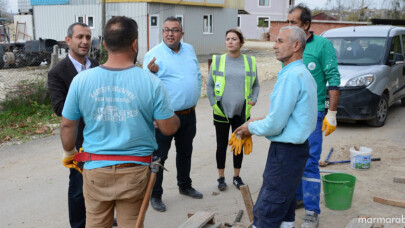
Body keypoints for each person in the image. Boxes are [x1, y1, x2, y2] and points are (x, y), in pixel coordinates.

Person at [59, 16, 180, 227]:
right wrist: (175, 118)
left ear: (104, 44)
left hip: (96, 169)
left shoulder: (81, 81)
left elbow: (68, 124)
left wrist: (69, 152)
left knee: (95, 222)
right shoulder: (151, 82)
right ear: (135, 43)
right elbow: (168, 128)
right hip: (135, 171)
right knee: (132, 223)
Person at [235, 26, 317, 228]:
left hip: (286, 153)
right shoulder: (302, 73)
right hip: (296, 151)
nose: (274, 45)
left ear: (296, 45)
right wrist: (253, 122)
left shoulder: (291, 76)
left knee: (268, 209)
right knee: (286, 205)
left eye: (280, 41)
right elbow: (286, 116)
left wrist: (249, 128)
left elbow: (275, 124)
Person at [287, 4, 341, 228]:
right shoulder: (290, 45)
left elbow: (333, 79)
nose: (288, 27)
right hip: (291, 113)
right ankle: (298, 198)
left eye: (293, 23)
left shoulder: (322, 46)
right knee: (292, 159)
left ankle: (311, 211)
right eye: (287, 22)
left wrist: (332, 113)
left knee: (310, 162)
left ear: (307, 25)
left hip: (314, 113)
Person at [143, 16, 203, 212]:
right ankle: (155, 194)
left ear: (182, 33)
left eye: (175, 30)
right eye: (166, 29)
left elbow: (197, 75)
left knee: (185, 153)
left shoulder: (190, 49)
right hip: (165, 116)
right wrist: (151, 73)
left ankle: (185, 185)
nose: (170, 33)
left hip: (189, 114)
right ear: (162, 32)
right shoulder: (153, 55)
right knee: (159, 157)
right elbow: (145, 88)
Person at [48, 22, 98, 228]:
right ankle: (78, 224)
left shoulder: (96, 65)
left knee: (100, 182)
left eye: (88, 37)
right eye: (80, 37)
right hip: (79, 140)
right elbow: (60, 107)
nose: (84, 41)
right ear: (68, 40)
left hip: (102, 135)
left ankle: (99, 218)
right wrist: (91, 100)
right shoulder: (58, 72)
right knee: (78, 188)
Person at [206, 29, 260, 191]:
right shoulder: (218, 60)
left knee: (239, 144)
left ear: (241, 42)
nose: (230, 42)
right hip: (221, 110)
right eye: (227, 38)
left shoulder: (250, 61)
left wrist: (254, 99)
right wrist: (213, 103)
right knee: (221, 145)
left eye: (234, 39)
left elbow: (256, 84)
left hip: (242, 110)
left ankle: (236, 176)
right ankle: (221, 178)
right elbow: (209, 85)